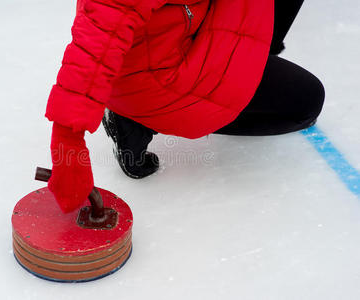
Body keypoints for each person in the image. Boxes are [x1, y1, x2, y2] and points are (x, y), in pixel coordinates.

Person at [46, 0, 325, 213]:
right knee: (306, 102)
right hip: (157, 78)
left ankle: (258, 60)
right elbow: (98, 33)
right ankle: (136, 119)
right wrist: (67, 141)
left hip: (184, 35)